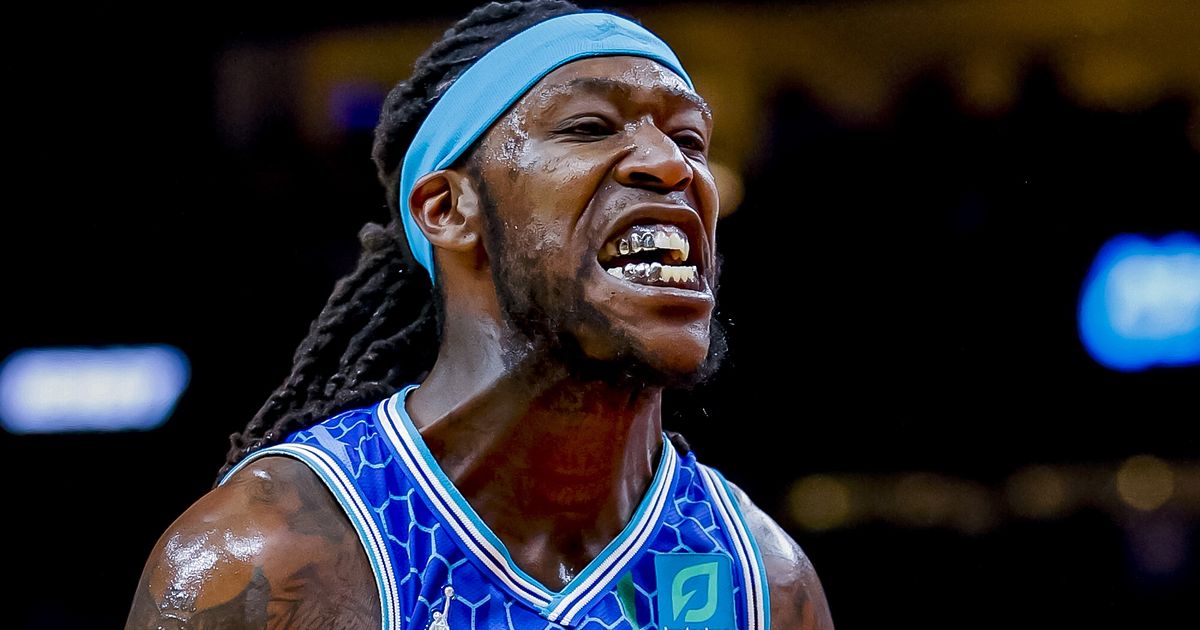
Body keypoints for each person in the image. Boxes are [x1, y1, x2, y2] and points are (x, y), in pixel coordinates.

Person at [126, 1, 835, 628]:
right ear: (448, 210)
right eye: (590, 126)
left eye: (691, 140)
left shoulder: (759, 581)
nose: (671, 164)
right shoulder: (268, 557)